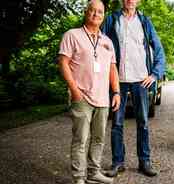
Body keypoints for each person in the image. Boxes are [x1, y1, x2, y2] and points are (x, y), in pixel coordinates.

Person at [58, 0, 120, 183]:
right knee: (81, 139)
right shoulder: (72, 35)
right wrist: (74, 90)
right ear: (86, 13)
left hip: (103, 99)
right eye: (92, 10)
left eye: (100, 12)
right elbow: (63, 62)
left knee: (99, 139)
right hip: (82, 96)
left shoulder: (107, 41)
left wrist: (116, 92)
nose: (96, 14)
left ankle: (94, 173)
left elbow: (112, 69)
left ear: (103, 16)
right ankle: (79, 177)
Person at [101, 0, 166, 177]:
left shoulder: (145, 22)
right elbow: (99, 42)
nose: (130, 0)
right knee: (116, 123)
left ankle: (144, 161)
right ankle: (117, 162)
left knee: (143, 122)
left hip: (140, 79)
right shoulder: (112, 19)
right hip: (117, 79)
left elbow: (158, 49)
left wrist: (154, 74)